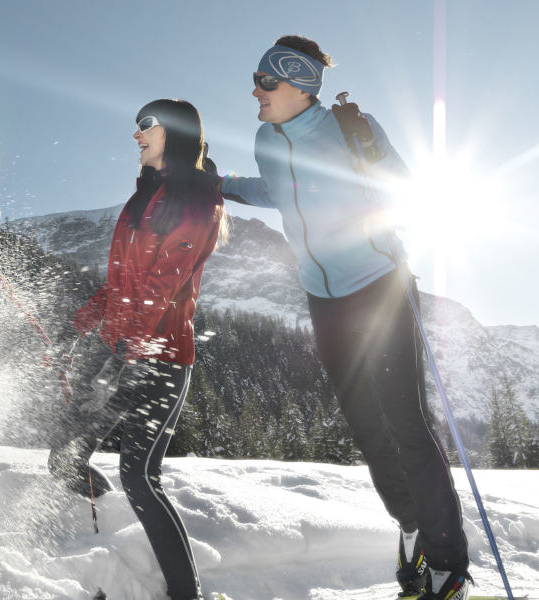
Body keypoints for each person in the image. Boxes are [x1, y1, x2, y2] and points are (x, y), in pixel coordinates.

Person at [219, 36, 472, 600]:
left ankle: (449, 565)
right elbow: (276, 191)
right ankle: (413, 527)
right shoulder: (266, 139)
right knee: (365, 424)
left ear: (299, 85)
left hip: (378, 286)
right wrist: (223, 186)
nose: (254, 91)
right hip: (321, 297)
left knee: (406, 422)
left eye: (265, 81)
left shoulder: (353, 128)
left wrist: (363, 214)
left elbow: (405, 191)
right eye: (256, 79)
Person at [48, 98, 227, 600]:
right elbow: (122, 282)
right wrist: (80, 324)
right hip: (119, 348)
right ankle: (100, 537)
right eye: (136, 126)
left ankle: (184, 593)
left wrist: (127, 351)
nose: (137, 135)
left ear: (175, 133)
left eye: (146, 126)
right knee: (66, 456)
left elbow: (163, 285)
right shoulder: (144, 197)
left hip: (159, 357)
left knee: (141, 476)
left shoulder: (195, 200)